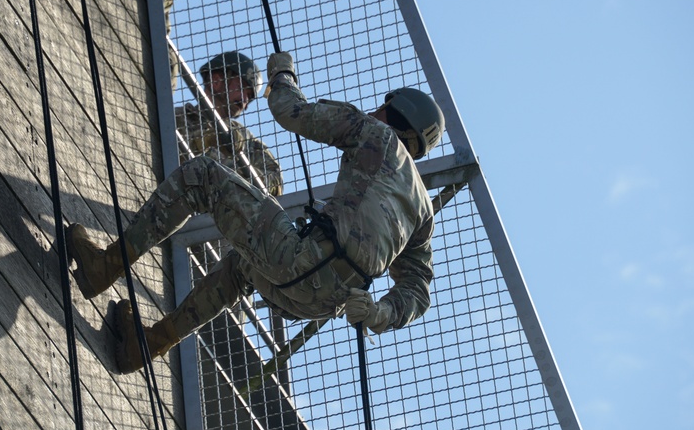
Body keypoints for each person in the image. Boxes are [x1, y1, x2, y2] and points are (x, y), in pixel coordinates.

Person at [67, 52, 444, 374]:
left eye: (382, 106)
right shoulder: (423, 212)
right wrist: (379, 313)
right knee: (240, 266)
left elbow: (290, 111)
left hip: (297, 259)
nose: (375, 109)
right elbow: (417, 289)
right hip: (317, 304)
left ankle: (104, 267)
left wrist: (282, 73)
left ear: (394, 113)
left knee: (203, 176)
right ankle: (147, 344)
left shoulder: (377, 135)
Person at [176, 51, 283, 196]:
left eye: (250, 97)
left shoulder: (244, 137)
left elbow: (276, 182)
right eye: (242, 87)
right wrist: (204, 142)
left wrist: (238, 170)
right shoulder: (177, 117)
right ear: (216, 81)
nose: (245, 101)